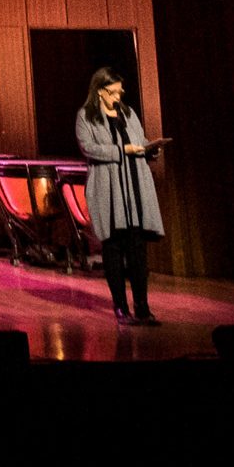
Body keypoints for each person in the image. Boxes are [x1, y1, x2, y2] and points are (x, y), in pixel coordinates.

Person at [75, 64, 167, 323]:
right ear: (101, 91)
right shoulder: (86, 116)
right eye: (114, 92)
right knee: (113, 248)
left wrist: (151, 149)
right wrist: (121, 151)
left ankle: (143, 306)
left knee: (137, 250)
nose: (119, 96)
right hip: (108, 188)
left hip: (134, 187)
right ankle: (120, 308)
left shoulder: (127, 113)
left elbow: (140, 140)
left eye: (119, 91)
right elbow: (88, 148)